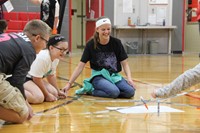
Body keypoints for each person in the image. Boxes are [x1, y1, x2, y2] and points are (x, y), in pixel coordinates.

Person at [62, 16, 136, 99]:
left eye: (108, 29)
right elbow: (80, 66)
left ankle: (111, 89)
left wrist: (129, 79)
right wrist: (69, 84)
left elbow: (125, 64)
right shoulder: (90, 45)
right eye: (103, 29)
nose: (106, 32)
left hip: (114, 76)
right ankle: (91, 90)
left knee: (130, 92)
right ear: (97, 29)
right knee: (114, 92)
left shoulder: (117, 43)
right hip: (99, 77)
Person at [0, 19, 51, 124]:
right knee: (22, 114)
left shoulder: (14, 37)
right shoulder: (29, 50)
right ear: (37, 38)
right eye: (46, 41)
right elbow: (17, 81)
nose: (45, 46)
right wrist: (26, 104)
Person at [24, 34, 68, 104]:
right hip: (24, 77)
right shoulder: (43, 58)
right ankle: (12, 93)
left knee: (54, 93)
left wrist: (58, 91)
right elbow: (36, 79)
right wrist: (47, 95)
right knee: (38, 98)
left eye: (66, 50)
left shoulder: (56, 58)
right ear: (51, 48)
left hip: (33, 78)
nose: (64, 53)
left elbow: (51, 75)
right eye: (61, 49)